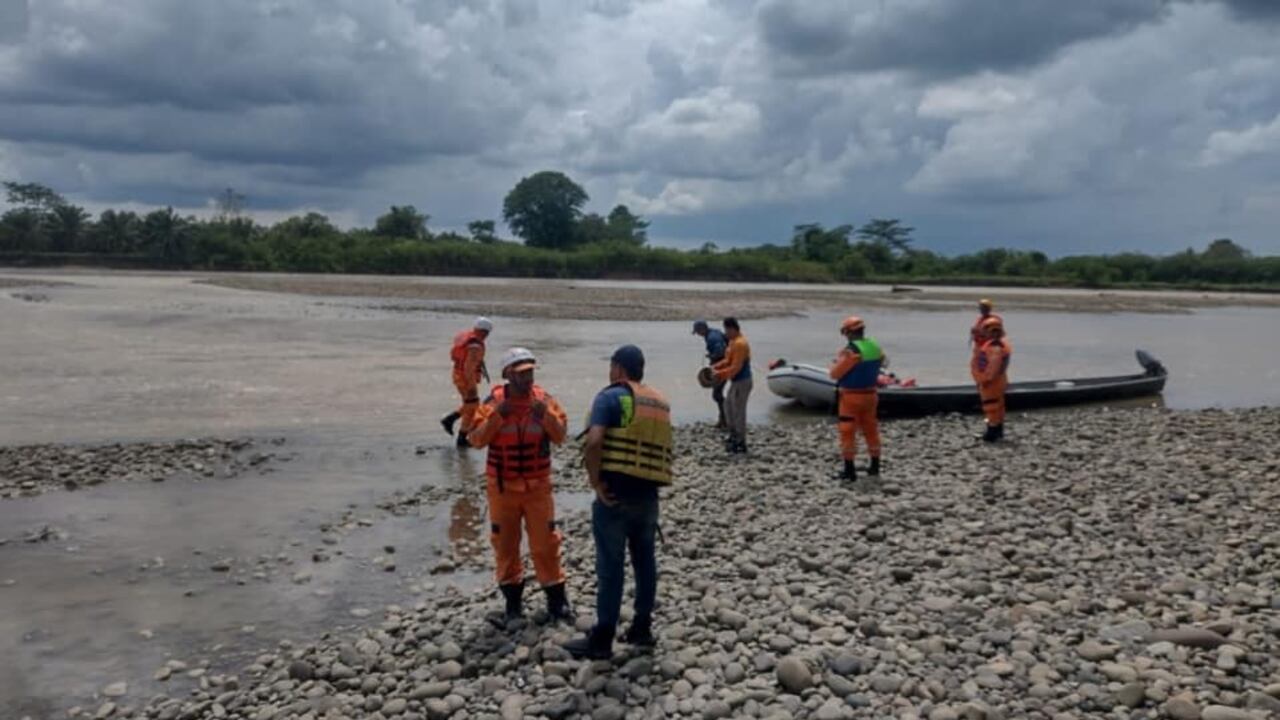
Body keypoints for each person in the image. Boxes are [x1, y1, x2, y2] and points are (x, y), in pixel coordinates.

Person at [563, 345, 673, 660]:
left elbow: (595, 441)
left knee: (610, 567)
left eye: (611, 366)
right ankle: (642, 629)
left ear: (618, 368)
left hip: (615, 497)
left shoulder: (610, 397)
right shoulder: (659, 401)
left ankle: (602, 638)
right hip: (648, 496)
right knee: (645, 564)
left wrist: (595, 482)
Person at [466, 347, 573, 623]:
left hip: (538, 488)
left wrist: (545, 416)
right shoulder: (493, 403)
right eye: (522, 374)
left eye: (531, 372)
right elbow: (475, 439)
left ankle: (557, 602)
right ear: (508, 376)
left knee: (546, 543)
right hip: (502, 489)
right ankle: (513, 605)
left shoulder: (544, 401)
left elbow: (560, 436)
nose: (528, 379)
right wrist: (497, 416)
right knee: (505, 545)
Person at [828, 316, 886, 482]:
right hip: (871, 395)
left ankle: (849, 470)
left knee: (848, 432)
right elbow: (882, 361)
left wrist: (836, 363)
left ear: (847, 332)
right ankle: (875, 466)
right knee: (871, 430)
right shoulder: (875, 346)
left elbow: (835, 374)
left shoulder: (851, 352)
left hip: (851, 397)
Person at [442, 317, 493, 448]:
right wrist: (471, 386)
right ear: (484, 332)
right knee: (472, 406)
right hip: (465, 378)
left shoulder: (467, 339)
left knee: (471, 405)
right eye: (487, 333)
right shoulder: (475, 346)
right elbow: (469, 368)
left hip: (458, 374)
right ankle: (453, 425)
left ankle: (460, 435)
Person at [712, 317, 752, 453]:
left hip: (742, 381)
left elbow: (736, 367)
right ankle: (733, 434)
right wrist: (715, 367)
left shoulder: (741, 343)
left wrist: (720, 374)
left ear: (732, 329)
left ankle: (740, 441)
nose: (725, 333)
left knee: (738, 411)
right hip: (735, 381)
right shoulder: (732, 342)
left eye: (726, 330)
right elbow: (728, 360)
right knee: (728, 406)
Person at [971, 316, 1012, 442]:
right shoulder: (996, 345)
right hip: (997, 381)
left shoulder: (994, 348)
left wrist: (984, 380)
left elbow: (992, 369)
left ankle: (992, 433)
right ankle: (997, 431)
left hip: (991, 382)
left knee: (991, 406)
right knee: (997, 406)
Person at [692, 320, 728, 428]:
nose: (698, 334)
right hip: (723, 366)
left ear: (702, 329)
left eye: (697, 332)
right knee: (718, 394)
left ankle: (725, 419)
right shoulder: (714, 332)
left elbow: (721, 351)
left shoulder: (712, 338)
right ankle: (724, 418)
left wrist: (712, 356)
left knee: (717, 394)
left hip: (721, 368)